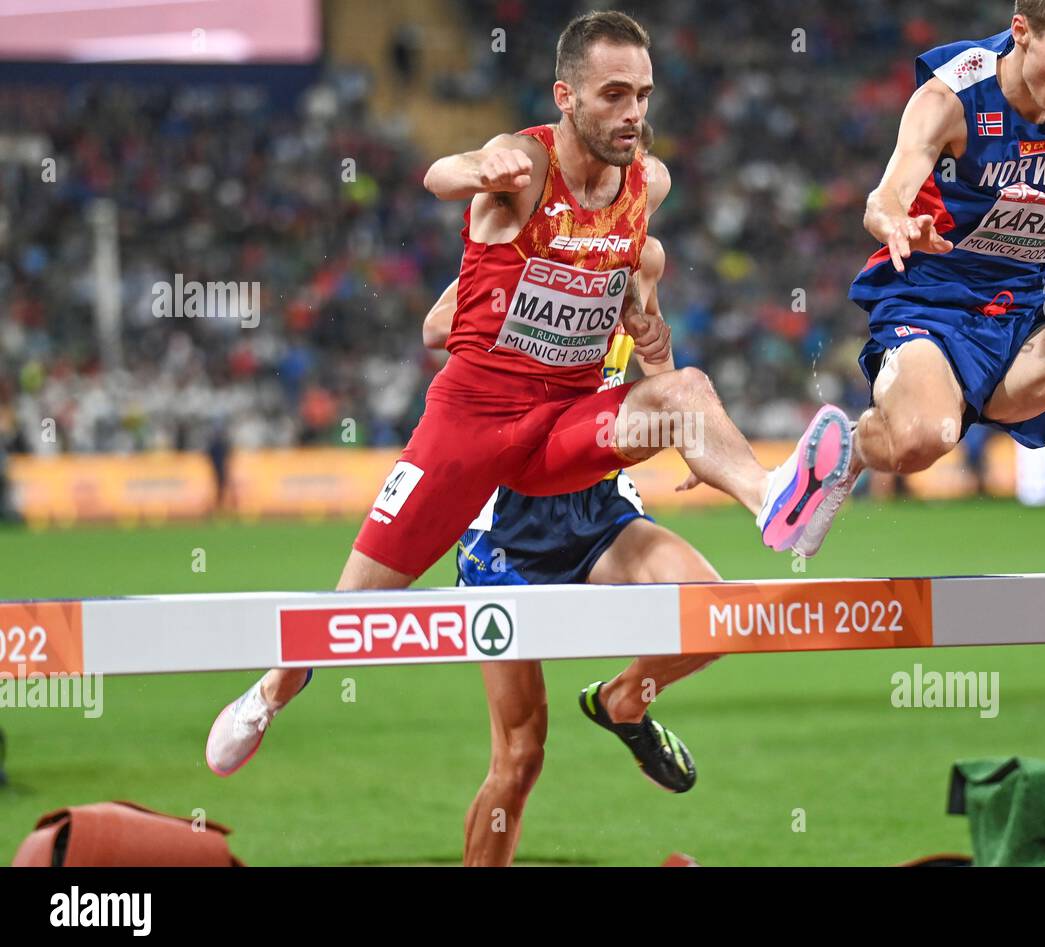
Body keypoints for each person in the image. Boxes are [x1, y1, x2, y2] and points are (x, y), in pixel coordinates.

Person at [206, 11, 850, 780]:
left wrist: (670, 386)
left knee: (687, 390)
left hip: (567, 430)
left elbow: (652, 344)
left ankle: (776, 502)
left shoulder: (648, 193)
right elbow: (439, 177)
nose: (634, 113)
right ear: (566, 97)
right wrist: (479, 176)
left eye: (643, 94)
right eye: (614, 95)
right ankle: (275, 688)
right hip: (472, 426)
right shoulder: (524, 162)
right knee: (355, 607)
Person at [795, 0, 1045, 562]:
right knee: (926, 437)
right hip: (929, 309)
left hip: (1017, 322)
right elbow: (882, 199)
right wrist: (898, 223)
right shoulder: (950, 97)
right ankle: (847, 451)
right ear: (1021, 31)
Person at [427, 230, 721, 865]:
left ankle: (623, 699)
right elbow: (434, 328)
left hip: (596, 505)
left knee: (713, 613)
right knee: (520, 756)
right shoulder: (520, 243)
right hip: (507, 525)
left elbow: (655, 356)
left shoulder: (641, 255)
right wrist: (545, 296)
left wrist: (689, 432)